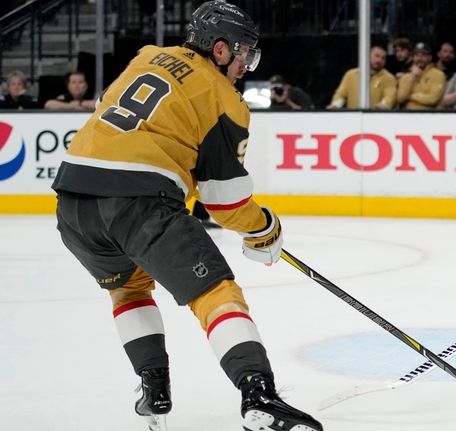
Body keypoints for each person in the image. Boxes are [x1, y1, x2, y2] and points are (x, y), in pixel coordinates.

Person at [51, 2, 323, 431]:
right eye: (242, 53)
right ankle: (259, 394)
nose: (244, 65)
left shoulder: (147, 55)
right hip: (139, 201)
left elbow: (108, 106)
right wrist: (264, 229)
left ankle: (154, 389)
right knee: (215, 292)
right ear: (219, 49)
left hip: (72, 201)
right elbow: (227, 204)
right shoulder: (224, 100)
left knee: (128, 290)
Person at [327, 45, 396, 109]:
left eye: (383, 58)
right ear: (368, 56)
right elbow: (341, 93)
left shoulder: (389, 78)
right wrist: (336, 105)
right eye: (377, 56)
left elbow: (390, 95)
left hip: (376, 117)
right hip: (353, 117)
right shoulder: (350, 74)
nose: (379, 60)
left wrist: (384, 105)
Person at [396, 42, 446, 110]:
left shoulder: (438, 75)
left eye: (423, 55)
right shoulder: (406, 77)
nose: (419, 58)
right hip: (408, 115)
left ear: (430, 57)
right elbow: (399, 98)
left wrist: (410, 96)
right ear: (413, 57)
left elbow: (433, 99)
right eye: (417, 55)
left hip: (429, 115)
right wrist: (412, 78)